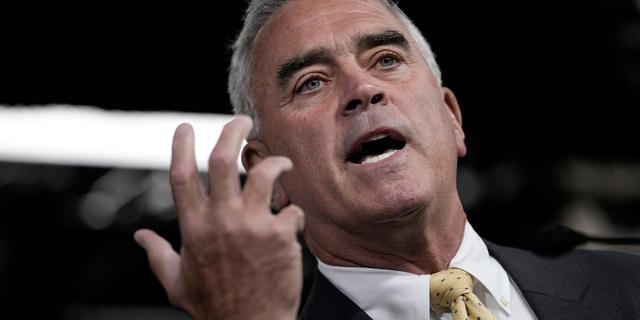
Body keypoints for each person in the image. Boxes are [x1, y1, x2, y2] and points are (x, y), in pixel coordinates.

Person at [134, 0, 640, 319]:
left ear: (452, 119)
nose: (363, 88)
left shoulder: (627, 289)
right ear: (270, 177)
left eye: (386, 60)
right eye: (311, 82)